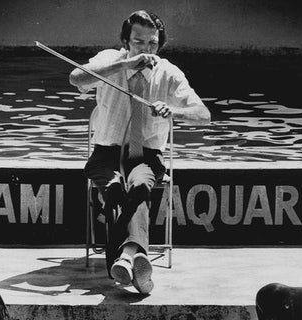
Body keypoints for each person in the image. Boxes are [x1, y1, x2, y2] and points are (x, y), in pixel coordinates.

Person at [69, 10, 210, 294]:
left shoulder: (169, 73)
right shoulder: (110, 60)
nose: (146, 50)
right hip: (106, 152)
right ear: (125, 41)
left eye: (152, 44)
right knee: (113, 189)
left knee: (139, 184)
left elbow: (203, 114)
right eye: (138, 42)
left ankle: (124, 259)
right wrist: (123, 65)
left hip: (146, 156)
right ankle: (133, 257)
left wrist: (175, 111)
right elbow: (76, 78)